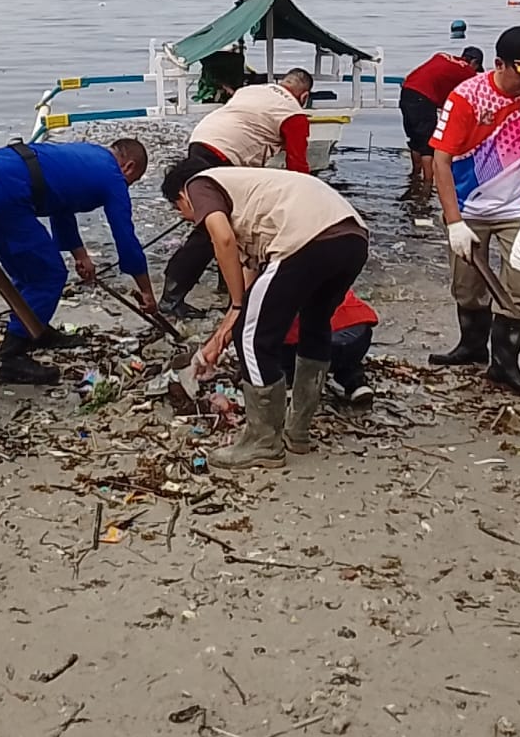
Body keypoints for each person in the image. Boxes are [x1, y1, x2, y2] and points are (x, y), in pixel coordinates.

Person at [161, 159, 368, 469]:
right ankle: (297, 433)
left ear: (183, 196)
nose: (186, 217)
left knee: (255, 342)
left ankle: (263, 442)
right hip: (351, 237)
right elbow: (250, 292)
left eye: (179, 209)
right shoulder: (252, 198)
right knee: (315, 326)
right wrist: (219, 337)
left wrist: (235, 308)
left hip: (304, 240)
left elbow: (223, 240)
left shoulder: (199, 183)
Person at [429, 26, 520, 397]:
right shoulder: (467, 97)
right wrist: (454, 221)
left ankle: (505, 365)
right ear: (500, 63)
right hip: (469, 207)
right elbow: (441, 161)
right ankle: (471, 348)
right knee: (467, 289)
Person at [0, 138, 157, 384]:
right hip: (4, 194)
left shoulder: (88, 154)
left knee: (27, 270)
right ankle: (10, 357)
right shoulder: (113, 177)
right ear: (129, 167)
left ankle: (34, 326)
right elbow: (126, 238)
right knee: (48, 275)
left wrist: (81, 256)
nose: (127, 187)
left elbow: (61, 203)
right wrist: (146, 290)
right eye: (131, 182)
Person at [159, 69, 314, 317]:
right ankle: (172, 298)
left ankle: (227, 289)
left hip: (202, 139)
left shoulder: (253, 90)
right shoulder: (293, 113)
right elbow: (298, 167)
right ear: (304, 96)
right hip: (224, 157)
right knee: (211, 231)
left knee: (228, 225)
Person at [399, 46, 484, 188]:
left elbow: (437, 84)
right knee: (427, 145)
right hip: (422, 99)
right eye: (476, 67)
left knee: (415, 140)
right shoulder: (468, 72)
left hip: (407, 92)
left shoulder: (441, 56)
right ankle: (427, 184)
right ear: (474, 62)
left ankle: (414, 176)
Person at [284, 289, 379, 404]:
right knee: (346, 354)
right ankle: (355, 382)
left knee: (275, 347)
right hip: (359, 334)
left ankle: (291, 382)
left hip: (317, 347)